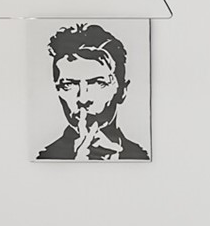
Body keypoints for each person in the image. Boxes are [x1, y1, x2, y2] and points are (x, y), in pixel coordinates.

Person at [37, 23, 148, 161]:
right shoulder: (44, 159)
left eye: (98, 83)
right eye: (68, 85)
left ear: (122, 91)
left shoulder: (141, 157)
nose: (83, 99)